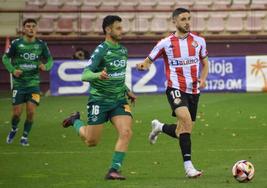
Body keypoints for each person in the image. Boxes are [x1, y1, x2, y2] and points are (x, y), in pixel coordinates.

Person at [136, 8, 209, 178]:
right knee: (185, 120)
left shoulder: (199, 41)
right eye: (183, 19)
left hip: (193, 91)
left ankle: (159, 127)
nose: (187, 22)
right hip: (175, 89)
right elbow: (147, 61)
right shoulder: (165, 43)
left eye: (189, 18)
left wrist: (203, 79)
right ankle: (189, 167)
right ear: (174, 22)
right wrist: (142, 66)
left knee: (182, 130)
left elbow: (205, 64)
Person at [62, 15, 136, 180]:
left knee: (126, 132)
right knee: (91, 141)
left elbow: (118, 75)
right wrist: (98, 75)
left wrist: (127, 90)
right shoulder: (101, 50)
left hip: (118, 100)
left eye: (121, 27)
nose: (121, 31)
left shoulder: (123, 50)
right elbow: (85, 75)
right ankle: (76, 120)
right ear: (108, 30)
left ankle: (113, 169)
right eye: (118, 28)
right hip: (99, 101)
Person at [2, 18, 54, 146]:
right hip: (19, 84)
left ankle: (24, 136)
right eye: (28, 26)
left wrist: (45, 67)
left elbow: (50, 60)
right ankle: (14, 128)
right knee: (17, 114)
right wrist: (13, 70)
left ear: (36, 29)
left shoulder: (41, 45)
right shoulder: (16, 44)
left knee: (31, 111)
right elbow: (5, 58)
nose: (31, 28)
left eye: (33, 26)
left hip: (33, 84)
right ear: (24, 29)